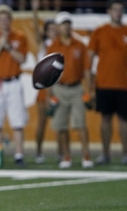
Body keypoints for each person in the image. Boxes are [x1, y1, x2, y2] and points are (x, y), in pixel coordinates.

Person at [46, 11, 94, 169]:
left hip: (76, 87)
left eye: (68, 23)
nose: (66, 27)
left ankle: (86, 155)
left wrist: (89, 89)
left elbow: (86, 69)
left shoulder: (79, 45)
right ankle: (66, 156)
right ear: (58, 27)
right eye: (63, 24)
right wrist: (49, 93)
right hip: (59, 88)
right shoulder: (53, 46)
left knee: (80, 124)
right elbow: (47, 72)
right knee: (61, 126)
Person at [0, 4, 28, 166]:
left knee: (17, 121)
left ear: (10, 20)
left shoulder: (19, 37)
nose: (3, 22)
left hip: (14, 81)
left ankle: (19, 155)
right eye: (0, 19)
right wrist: (0, 45)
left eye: (6, 19)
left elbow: (22, 59)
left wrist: (7, 46)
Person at [88, 0, 127, 165]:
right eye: (115, 10)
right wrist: (90, 84)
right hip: (104, 82)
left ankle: (125, 153)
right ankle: (105, 153)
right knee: (105, 119)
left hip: (124, 83)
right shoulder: (100, 32)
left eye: (120, 10)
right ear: (109, 11)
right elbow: (89, 59)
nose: (118, 13)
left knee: (124, 120)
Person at [32, 0, 58, 164]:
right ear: (46, 31)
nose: (54, 32)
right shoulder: (45, 44)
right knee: (42, 122)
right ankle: (38, 152)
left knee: (60, 123)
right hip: (45, 86)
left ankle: (62, 153)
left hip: (59, 85)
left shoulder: (61, 44)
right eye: (51, 29)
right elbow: (35, 31)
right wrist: (35, 12)